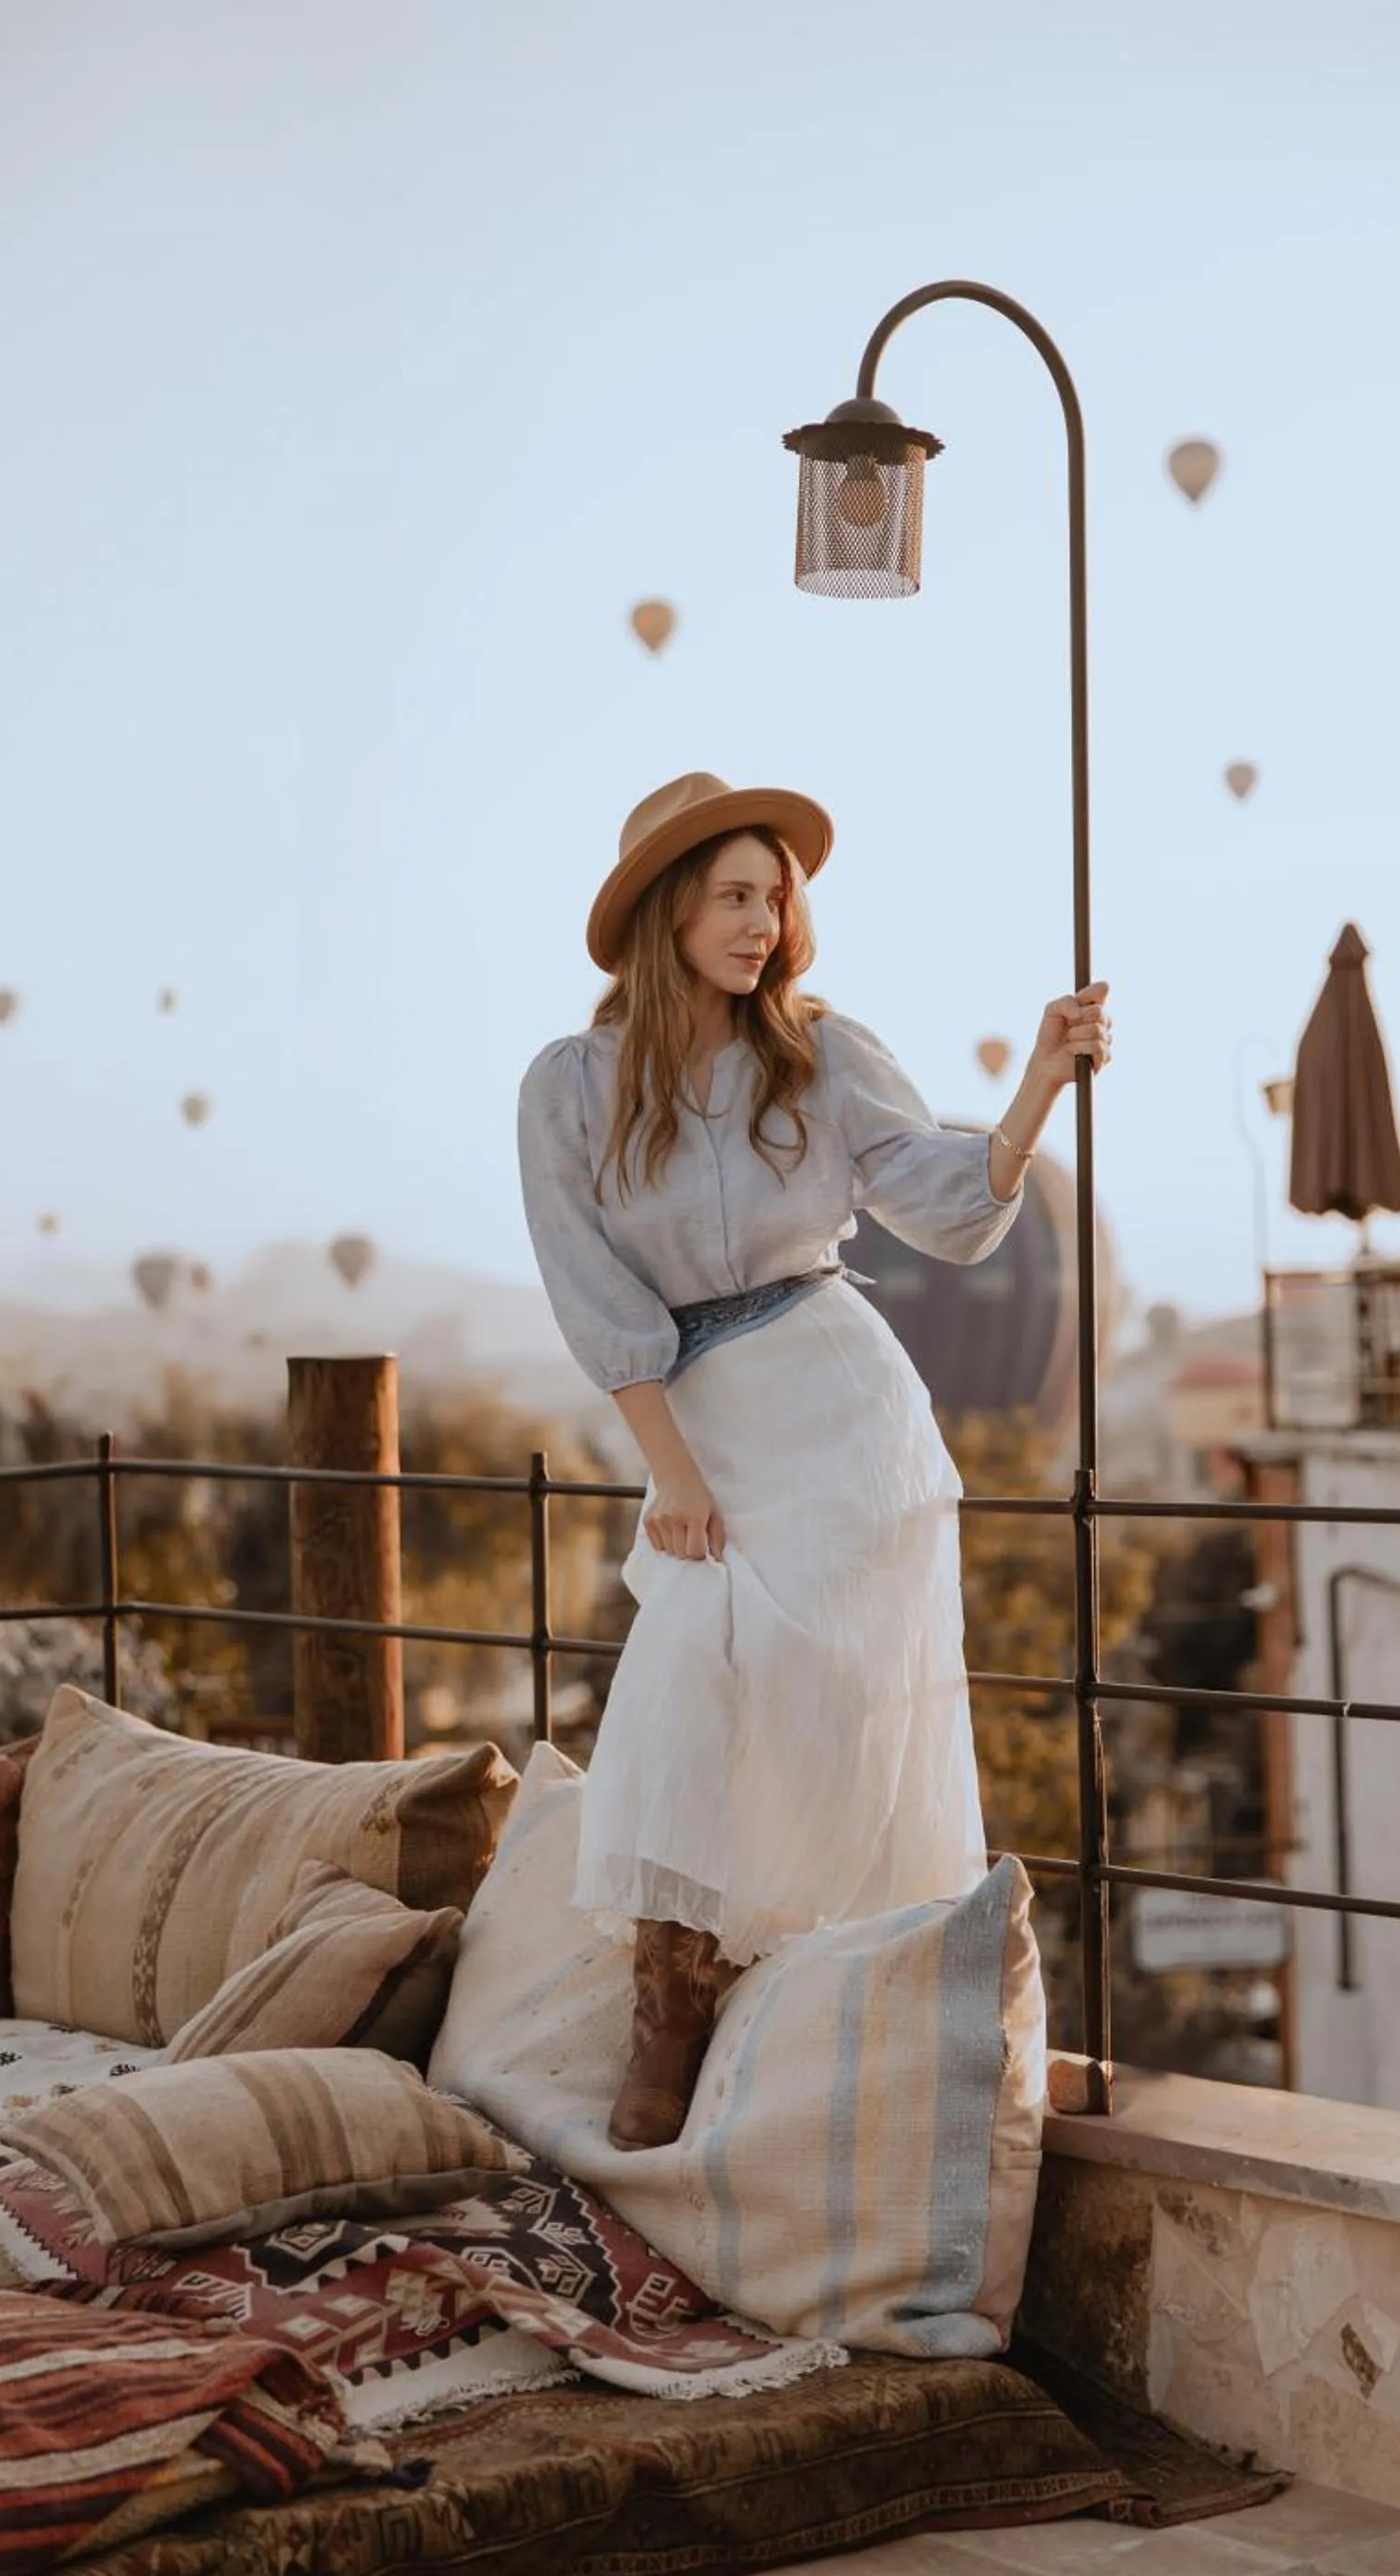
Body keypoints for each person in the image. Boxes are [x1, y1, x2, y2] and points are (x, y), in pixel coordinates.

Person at [516, 771, 1112, 2150]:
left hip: (850, 1419)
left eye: (775, 897)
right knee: (684, 1689)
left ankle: (850, 2032)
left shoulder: (822, 1054)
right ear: (665, 911)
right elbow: (594, 1298)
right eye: (732, 895)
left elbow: (956, 1215)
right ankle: (676, 2010)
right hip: (706, 1429)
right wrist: (667, 1470)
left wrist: (1038, 1078)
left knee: (851, 1725)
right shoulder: (572, 1086)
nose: (761, 922)